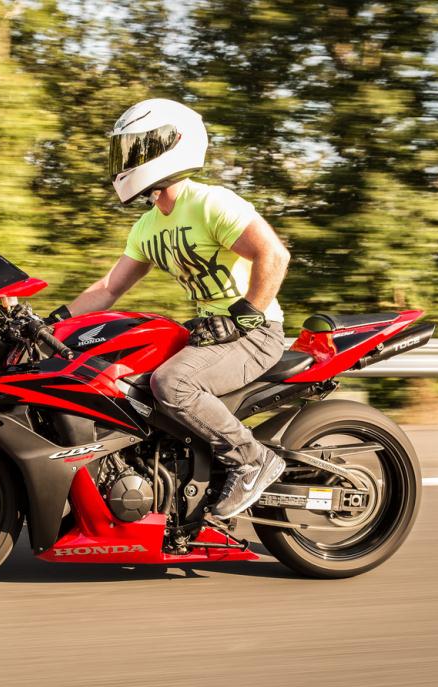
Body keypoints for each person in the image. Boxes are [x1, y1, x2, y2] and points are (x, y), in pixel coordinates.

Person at [61, 98, 291, 519]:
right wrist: (54, 323)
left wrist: (244, 315)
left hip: (253, 333)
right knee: (120, 381)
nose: (127, 160)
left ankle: (251, 459)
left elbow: (273, 256)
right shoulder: (147, 226)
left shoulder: (211, 203)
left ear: (171, 145)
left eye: (137, 148)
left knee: (173, 385)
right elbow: (110, 287)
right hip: (208, 331)